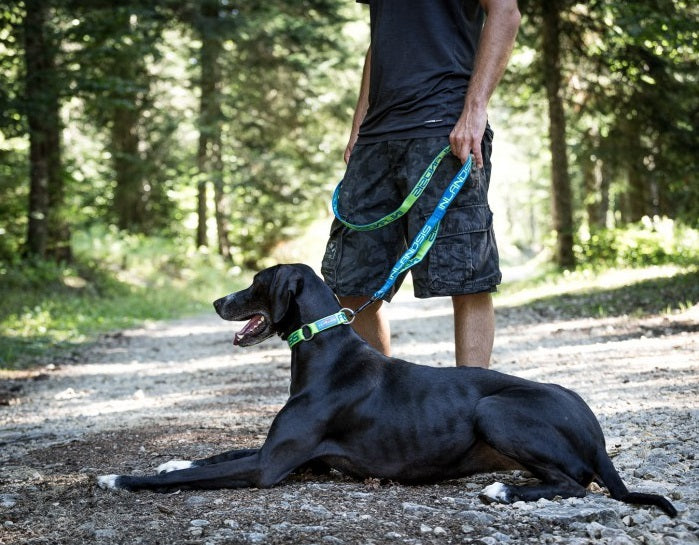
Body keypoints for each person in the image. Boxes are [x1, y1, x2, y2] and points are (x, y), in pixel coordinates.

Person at [321, 0, 520, 368]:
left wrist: (474, 111)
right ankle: (377, 404)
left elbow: (506, 12)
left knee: (467, 278)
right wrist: (359, 126)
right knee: (353, 282)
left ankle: (469, 406)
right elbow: (379, 44)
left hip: (444, 129)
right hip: (376, 137)